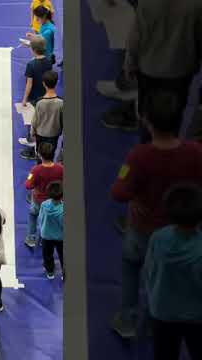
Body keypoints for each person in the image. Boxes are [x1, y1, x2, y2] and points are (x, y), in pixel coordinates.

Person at [109, 89, 202, 339]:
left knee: (131, 266)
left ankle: (128, 320)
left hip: (143, 228)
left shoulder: (139, 156)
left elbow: (119, 192)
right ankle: (159, 314)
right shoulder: (195, 152)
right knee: (170, 274)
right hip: (185, 229)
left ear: (147, 121)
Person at [120, 0, 202, 142]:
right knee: (175, 114)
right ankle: (170, 147)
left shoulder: (147, 3)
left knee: (146, 113)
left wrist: (129, 64)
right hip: (180, 71)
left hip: (149, 70)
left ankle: (147, 145)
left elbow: (135, 39)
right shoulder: (196, 4)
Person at [144, 184, 202, 360]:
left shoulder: (158, 237)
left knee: (164, 355)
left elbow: (148, 270)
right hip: (196, 316)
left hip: (161, 312)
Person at [25, 143, 64, 248]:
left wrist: (31, 179)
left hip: (38, 200)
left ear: (39, 155)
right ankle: (43, 239)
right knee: (46, 220)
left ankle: (31, 238)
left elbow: (28, 185)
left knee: (33, 216)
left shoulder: (35, 170)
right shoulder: (60, 168)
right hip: (53, 201)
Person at [22, 71, 63, 161]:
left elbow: (35, 120)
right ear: (56, 83)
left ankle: (41, 166)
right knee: (51, 153)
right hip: (54, 134)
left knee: (40, 156)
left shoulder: (39, 103)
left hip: (40, 134)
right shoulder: (61, 102)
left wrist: (32, 132)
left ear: (44, 84)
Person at [38, 180, 64, 280]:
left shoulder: (44, 204)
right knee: (63, 255)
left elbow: (40, 218)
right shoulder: (63, 210)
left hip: (46, 235)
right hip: (60, 237)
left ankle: (50, 271)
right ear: (62, 195)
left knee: (47, 254)